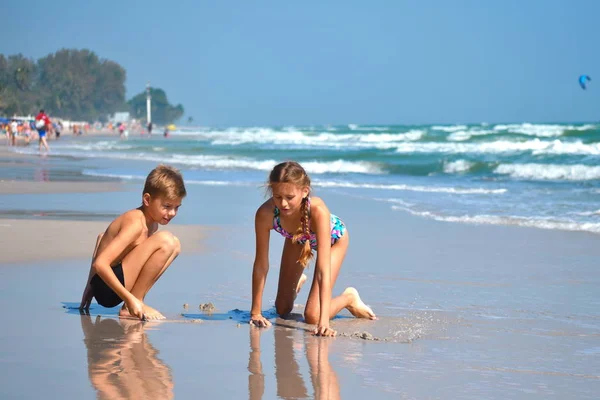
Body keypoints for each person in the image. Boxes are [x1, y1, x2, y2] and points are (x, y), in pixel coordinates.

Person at [250, 161, 376, 336]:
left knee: (312, 316)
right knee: (282, 308)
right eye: (278, 197)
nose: (283, 204)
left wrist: (323, 322)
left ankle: (349, 298)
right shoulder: (265, 214)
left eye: (289, 197)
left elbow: (323, 269)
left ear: (305, 191)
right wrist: (256, 312)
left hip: (334, 241)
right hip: (297, 238)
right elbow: (261, 264)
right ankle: (297, 282)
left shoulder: (318, 211)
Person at [79, 165, 186, 320]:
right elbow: (100, 263)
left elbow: (102, 238)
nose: (172, 213)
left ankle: (134, 301)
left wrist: (90, 287)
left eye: (177, 207)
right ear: (147, 200)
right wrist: (129, 299)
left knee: (174, 244)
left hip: (107, 285)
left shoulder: (152, 223)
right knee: (167, 241)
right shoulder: (136, 223)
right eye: (167, 206)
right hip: (107, 289)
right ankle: (134, 303)